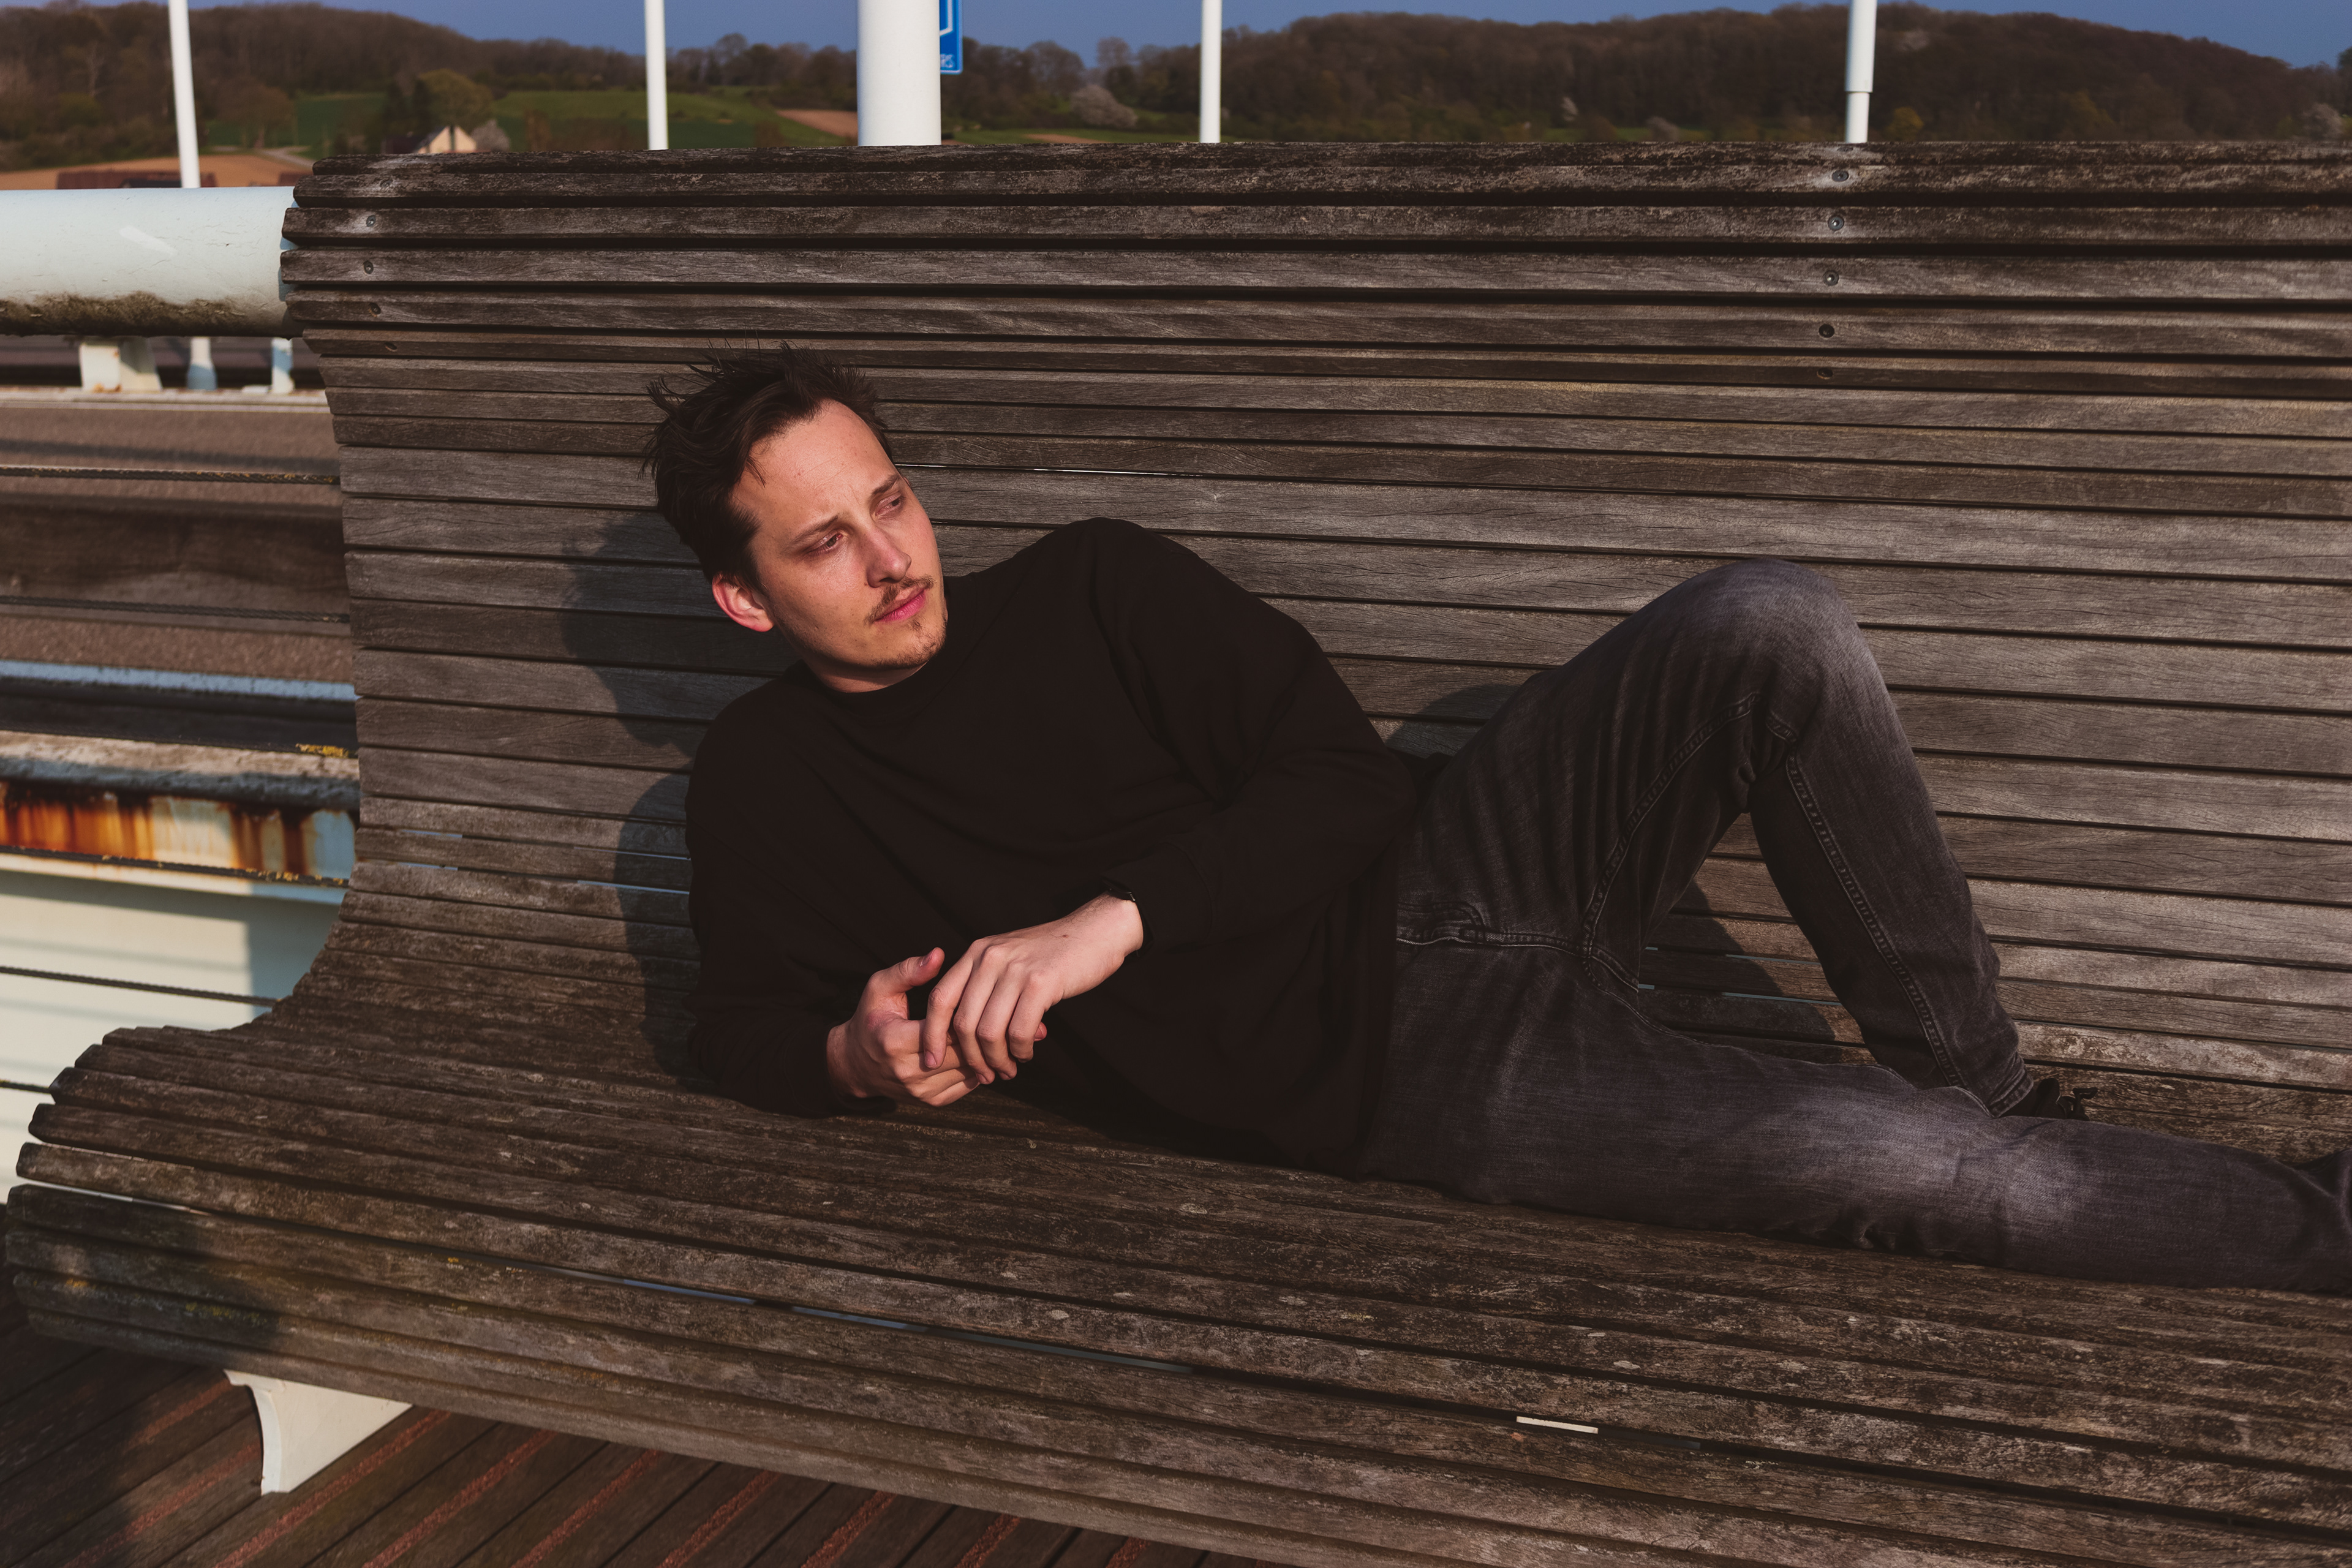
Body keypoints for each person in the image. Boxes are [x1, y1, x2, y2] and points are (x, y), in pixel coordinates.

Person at [649, 346, 2352, 1294]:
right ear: (744, 596)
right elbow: (735, 1026)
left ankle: (1984, 1070)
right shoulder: (769, 787)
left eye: (894, 499)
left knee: (1771, 622)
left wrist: (1109, 924)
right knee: (1915, 1172)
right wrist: (854, 1061)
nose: (894, 558)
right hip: (1410, 1078)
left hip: (1469, 858)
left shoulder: (1096, 585)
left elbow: (1339, 780)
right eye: (827, 543)